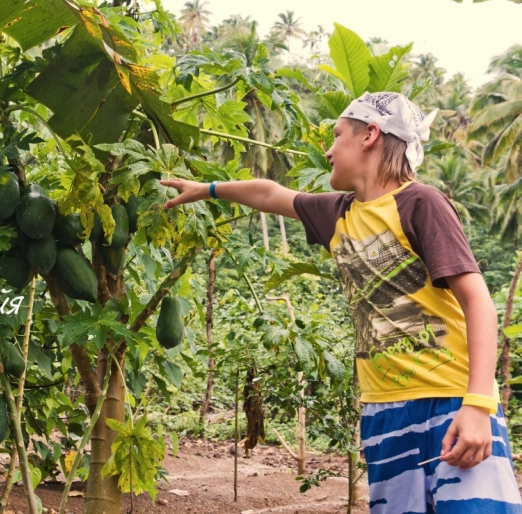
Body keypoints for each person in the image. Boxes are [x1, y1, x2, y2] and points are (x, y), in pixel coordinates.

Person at [160, 91, 522, 513]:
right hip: (383, 411)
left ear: (370, 134)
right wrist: (206, 189)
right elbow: (267, 194)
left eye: (336, 136)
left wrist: (478, 404)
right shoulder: (339, 214)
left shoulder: (421, 203)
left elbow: (478, 301)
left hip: (451, 400)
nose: (328, 151)